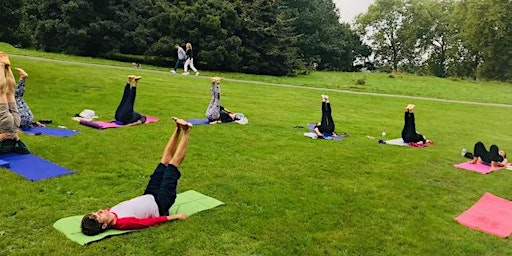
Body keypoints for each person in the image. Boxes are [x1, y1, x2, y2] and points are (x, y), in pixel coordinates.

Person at [80, 117, 192, 236]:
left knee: (163, 162)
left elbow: (110, 211)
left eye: (96, 212)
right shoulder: (124, 223)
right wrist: (175, 217)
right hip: (161, 203)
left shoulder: (109, 212)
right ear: (104, 225)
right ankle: (186, 131)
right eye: (99, 216)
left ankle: (178, 129)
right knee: (172, 166)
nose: (100, 211)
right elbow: (148, 222)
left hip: (149, 194)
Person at [0, 52, 30, 154]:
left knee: (11, 93)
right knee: (2, 93)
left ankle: (7, 68)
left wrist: (17, 139)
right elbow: (26, 151)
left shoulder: (12, 148)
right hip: (5, 125)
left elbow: (26, 151)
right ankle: (2, 65)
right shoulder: (4, 150)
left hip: (16, 124)